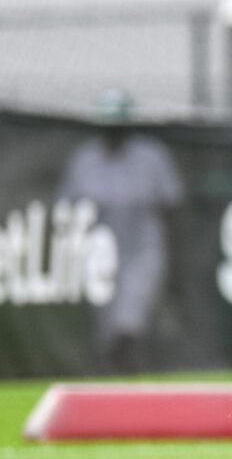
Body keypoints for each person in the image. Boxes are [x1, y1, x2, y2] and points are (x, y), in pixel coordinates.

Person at [58, 88, 184, 372]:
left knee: (129, 325)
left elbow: (172, 208)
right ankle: (116, 382)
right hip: (100, 257)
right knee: (107, 333)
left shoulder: (151, 157)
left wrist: (177, 263)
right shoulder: (84, 160)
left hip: (142, 250)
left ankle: (133, 384)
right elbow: (66, 211)